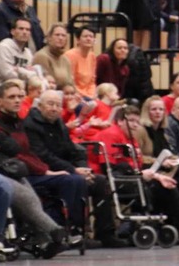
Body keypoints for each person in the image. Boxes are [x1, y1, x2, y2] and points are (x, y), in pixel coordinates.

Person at [89, 105, 179, 245]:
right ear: (120, 121)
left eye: (137, 121)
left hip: (131, 177)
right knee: (162, 187)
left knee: (172, 181)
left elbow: (137, 165)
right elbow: (109, 168)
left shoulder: (131, 139)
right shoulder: (111, 134)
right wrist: (151, 175)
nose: (135, 125)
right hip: (110, 181)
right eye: (131, 121)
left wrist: (156, 175)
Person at [24, 90, 129, 248]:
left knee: (100, 181)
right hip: (43, 171)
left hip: (67, 169)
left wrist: (84, 168)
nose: (54, 108)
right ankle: (76, 232)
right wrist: (74, 170)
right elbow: (43, 156)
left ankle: (106, 233)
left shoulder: (58, 123)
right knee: (75, 181)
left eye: (58, 105)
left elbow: (73, 150)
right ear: (40, 106)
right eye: (50, 104)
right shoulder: (30, 125)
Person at [0, 81, 87, 236]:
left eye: (19, 97)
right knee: (67, 182)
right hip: (8, 170)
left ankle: (71, 231)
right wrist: (46, 171)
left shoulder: (18, 122)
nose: (17, 100)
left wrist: (75, 167)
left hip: (20, 171)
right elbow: (18, 154)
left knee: (85, 180)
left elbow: (28, 152)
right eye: (11, 97)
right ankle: (57, 232)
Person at [0, 17, 39, 84]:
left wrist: (19, 70)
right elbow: (7, 74)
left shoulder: (28, 52)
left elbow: (33, 73)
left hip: (21, 86)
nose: (25, 32)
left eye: (28, 30)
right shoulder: (4, 47)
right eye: (21, 29)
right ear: (12, 32)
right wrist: (27, 74)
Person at [32, 23, 73, 88]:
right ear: (49, 38)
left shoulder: (65, 59)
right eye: (57, 35)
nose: (60, 38)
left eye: (63, 35)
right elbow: (46, 83)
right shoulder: (41, 56)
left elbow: (71, 83)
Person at [64, 25, 97, 98]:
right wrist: (85, 96)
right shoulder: (70, 55)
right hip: (74, 94)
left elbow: (92, 81)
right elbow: (70, 81)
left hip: (89, 95)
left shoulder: (92, 56)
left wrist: (91, 95)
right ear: (78, 40)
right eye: (85, 36)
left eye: (91, 37)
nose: (88, 39)